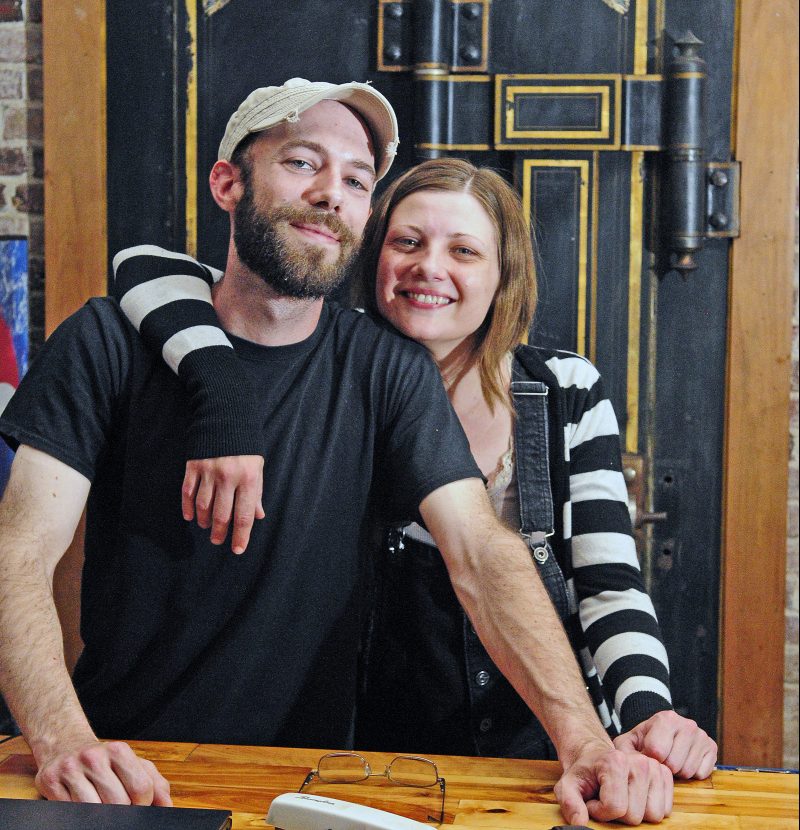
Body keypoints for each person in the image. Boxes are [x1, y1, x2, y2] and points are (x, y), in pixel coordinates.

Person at [0, 78, 675, 826]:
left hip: (311, 785)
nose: (331, 193)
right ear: (228, 182)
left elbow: (481, 549)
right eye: (301, 162)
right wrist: (63, 738)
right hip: (125, 772)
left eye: (357, 180)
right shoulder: (106, 342)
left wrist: (583, 740)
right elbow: (18, 548)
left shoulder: (385, 368)